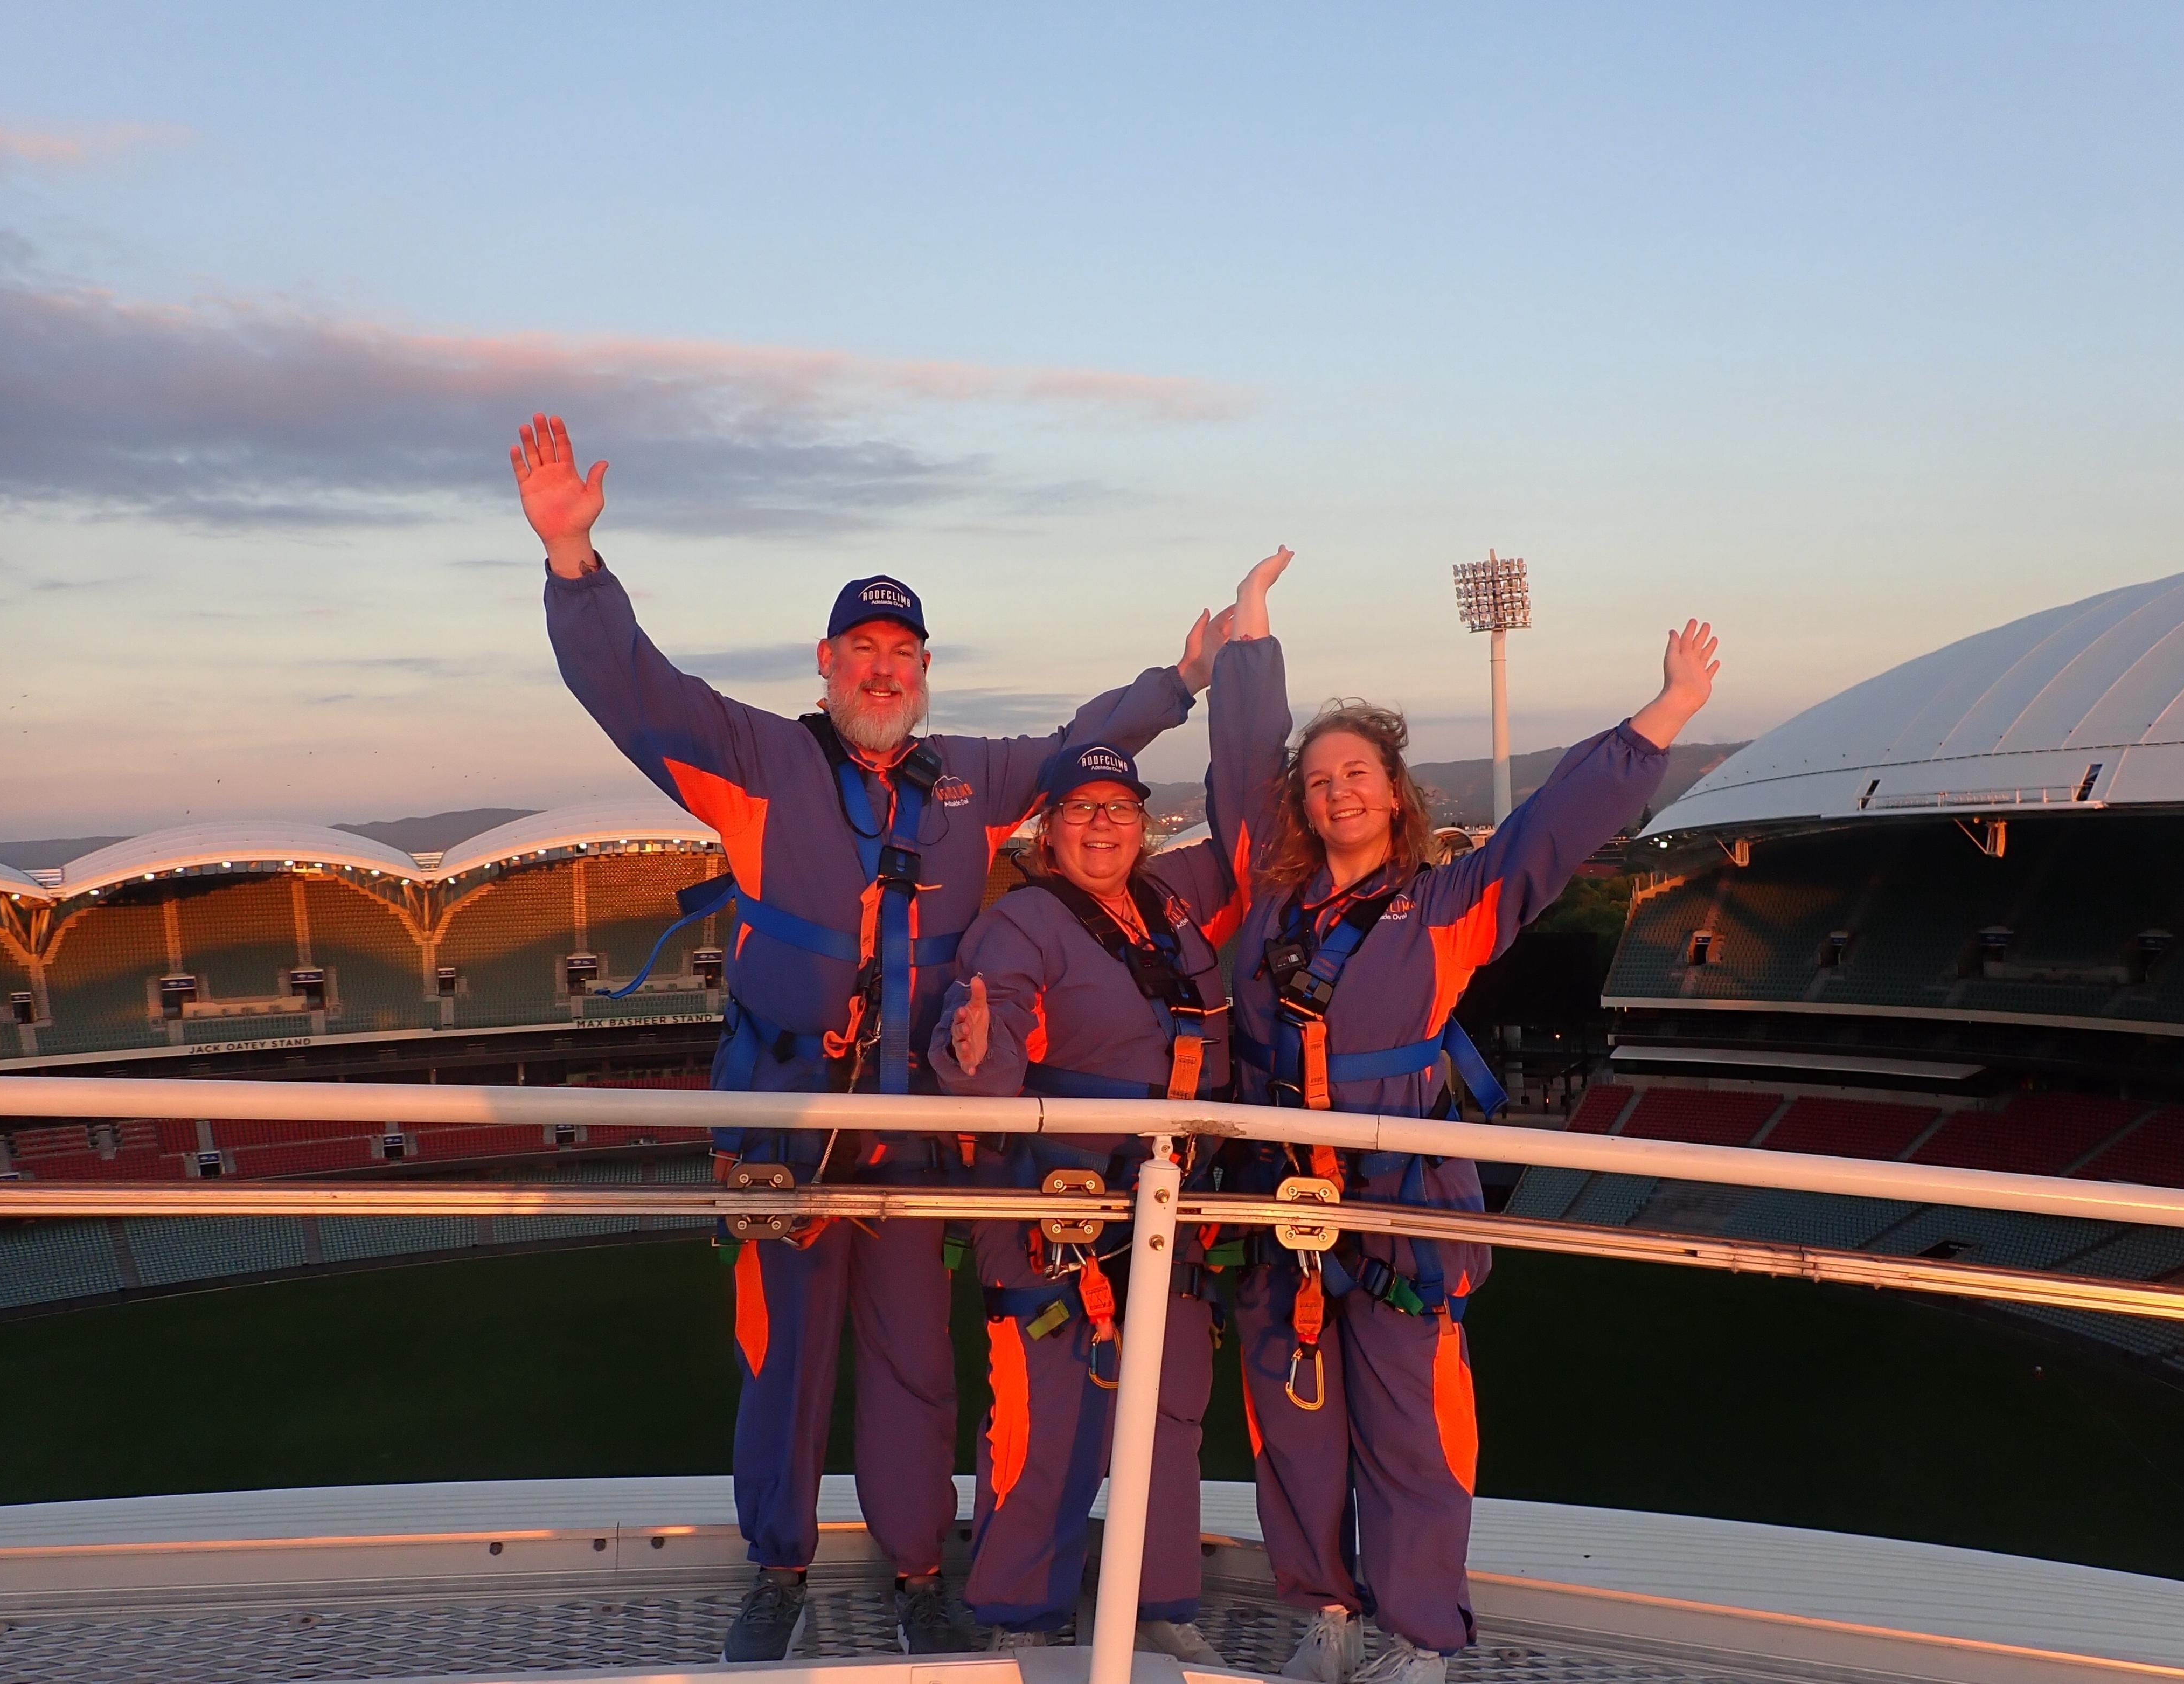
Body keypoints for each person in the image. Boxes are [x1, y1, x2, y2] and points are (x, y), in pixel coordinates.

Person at [513, 413, 1234, 1660]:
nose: (883, 669)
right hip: (785, 1126)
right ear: (827, 661)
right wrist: (575, 563)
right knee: (782, 1359)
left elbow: (1078, 747)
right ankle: (778, 1566)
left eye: (903, 650)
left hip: (914, 1137)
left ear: (924, 669)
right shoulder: (752, 759)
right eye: (863, 648)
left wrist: (1178, 684)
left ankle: (915, 1569)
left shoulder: (969, 778)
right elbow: (633, 691)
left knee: (914, 1367)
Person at [1210, 555, 1717, 1684]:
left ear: (1396, 795)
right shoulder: (1268, 905)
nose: (1337, 790)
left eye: (1358, 773)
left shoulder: (1445, 907)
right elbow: (1242, 764)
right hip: (1278, 1207)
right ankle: (1326, 1614)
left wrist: (1665, 713)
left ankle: (1422, 1635)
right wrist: (1250, 644)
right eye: (1319, 778)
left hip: (1398, 1210)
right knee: (1293, 1429)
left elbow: (1550, 829)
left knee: (1411, 1436)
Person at [925, 616, 1278, 1657]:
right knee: (1046, 1416)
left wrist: (1245, 667)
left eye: (1119, 809)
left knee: (1169, 1414)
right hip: (1059, 1213)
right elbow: (985, 1064)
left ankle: (1158, 1604)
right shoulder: (1020, 926)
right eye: (1080, 810)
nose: (1100, 827)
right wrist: (976, 1046)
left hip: (1169, 1206)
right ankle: (1022, 1617)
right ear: (1049, 833)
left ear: (1142, 822)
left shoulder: (1173, 905)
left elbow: (1251, 827)